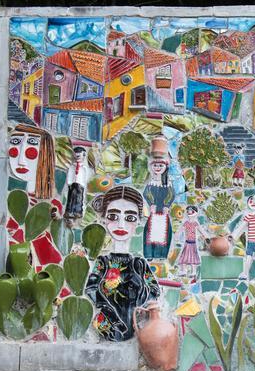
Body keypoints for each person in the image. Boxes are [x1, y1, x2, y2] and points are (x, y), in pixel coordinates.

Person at [85, 186, 160, 342]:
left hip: (138, 324)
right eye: (113, 216)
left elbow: (154, 291)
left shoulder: (139, 264)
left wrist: (142, 295)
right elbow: (91, 288)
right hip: (107, 324)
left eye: (130, 218)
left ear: (139, 220)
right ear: (104, 218)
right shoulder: (103, 262)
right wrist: (106, 308)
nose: (120, 225)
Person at [5, 123, 62, 268]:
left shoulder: (54, 204)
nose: (21, 161)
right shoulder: (12, 200)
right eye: (15, 149)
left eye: (31, 152)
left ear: (46, 153)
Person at [143, 136, 174, 261]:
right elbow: (146, 193)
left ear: (165, 167)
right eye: (155, 165)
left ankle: (161, 254)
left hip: (163, 209)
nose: (157, 168)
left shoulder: (167, 183)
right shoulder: (151, 182)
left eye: (160, 166)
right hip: (154, 209)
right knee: (151, 231)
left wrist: (167, 205)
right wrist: (151, 203)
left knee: (163, 231)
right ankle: (150, 253)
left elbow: (171, 195)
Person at [175, 205, 208, 281]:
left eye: (191, 211)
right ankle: (184, 270)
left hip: (193, 243)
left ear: (195, 213)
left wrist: (206, 236)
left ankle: (193, 271)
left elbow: (201, 230)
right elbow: (181, 230)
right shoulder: (186, 223)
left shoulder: (195, 223)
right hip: (187, 243)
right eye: (188, 211)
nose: (189, 213)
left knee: (193, 257)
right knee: (184, 256)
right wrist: (177, 235)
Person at [64, 145, 91, 221]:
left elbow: (85, 176)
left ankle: (78, 211)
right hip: (72, 184)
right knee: (70, 198)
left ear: (84, 155)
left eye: (80, 154)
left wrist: (83, 184)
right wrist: (69, 183)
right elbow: (69, 174)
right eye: (76, 154)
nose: (77, 155)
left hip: (80, 184)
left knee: (79, 198)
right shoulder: (72, 166)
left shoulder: (84, 168)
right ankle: (69, 211)